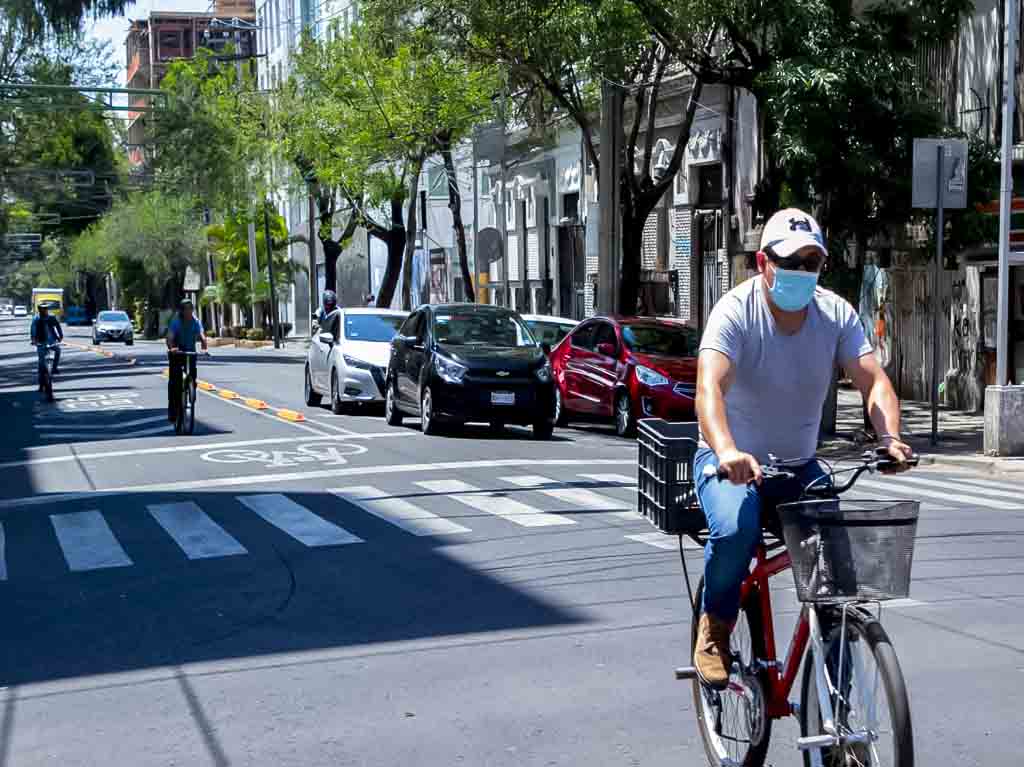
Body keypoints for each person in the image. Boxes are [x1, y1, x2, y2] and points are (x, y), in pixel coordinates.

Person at [691, 208, 913, 689]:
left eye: (811, 262)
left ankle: (841, 723)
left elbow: (873, 382)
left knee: (837, 582)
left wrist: (890, 438)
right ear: (761, 262)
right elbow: (708, 389)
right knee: (735, 528)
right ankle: (715, 627)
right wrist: (728, 450)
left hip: (799, 468)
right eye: (789, 261)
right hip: (729, 462)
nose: (801, 272)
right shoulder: (735, 310)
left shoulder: (835, 314)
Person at [166, 298, 207, 423]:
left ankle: (190, 390)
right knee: (175, 381)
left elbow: (201, 333)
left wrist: (204, 345)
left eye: (191, 309)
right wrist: (172, 348)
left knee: (192, 376)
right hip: (177, 352)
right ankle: (173, 410)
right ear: (182, 311)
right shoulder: (176, 322)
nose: (189, 312)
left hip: (190, 352)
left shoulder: (195, 321)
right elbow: (170, 337)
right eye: (186, 309)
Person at [30, 303, 63, 384]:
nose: (44, 311)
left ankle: (54, 367)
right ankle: (40, 380)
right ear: (39, 310)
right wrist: (34, 340)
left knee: (58, 350)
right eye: (42, 309)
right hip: (40, 342)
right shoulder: (36, 319)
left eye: (46, 309)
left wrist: (60, 336)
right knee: (41, 361)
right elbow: (33, 330)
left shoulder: (51, 317)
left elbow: (58, 326)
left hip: (52, 341)